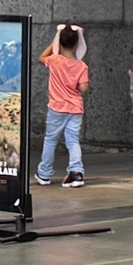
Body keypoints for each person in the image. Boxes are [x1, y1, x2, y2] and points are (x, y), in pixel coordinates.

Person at [35, 24, 89, 188]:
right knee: (73, 141)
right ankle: (76, 172)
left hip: (56, 108)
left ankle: (44, 174)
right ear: (78, 44)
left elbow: (41, 57)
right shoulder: (82, 66)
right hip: (75, 108)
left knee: (50, 140)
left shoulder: (54, 60)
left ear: (59, 42)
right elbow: (84, 88)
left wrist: (54, 43)